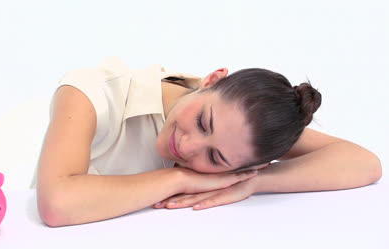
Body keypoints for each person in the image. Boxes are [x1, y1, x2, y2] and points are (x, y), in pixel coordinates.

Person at [32, 56, 382, 227]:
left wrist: (253, 183)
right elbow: (57, 204)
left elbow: (364, 163)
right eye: (202, 121)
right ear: (211, 80)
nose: (187, 147)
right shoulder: (93, 90)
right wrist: (181, 177)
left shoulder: (244, 137)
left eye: (215, 158)